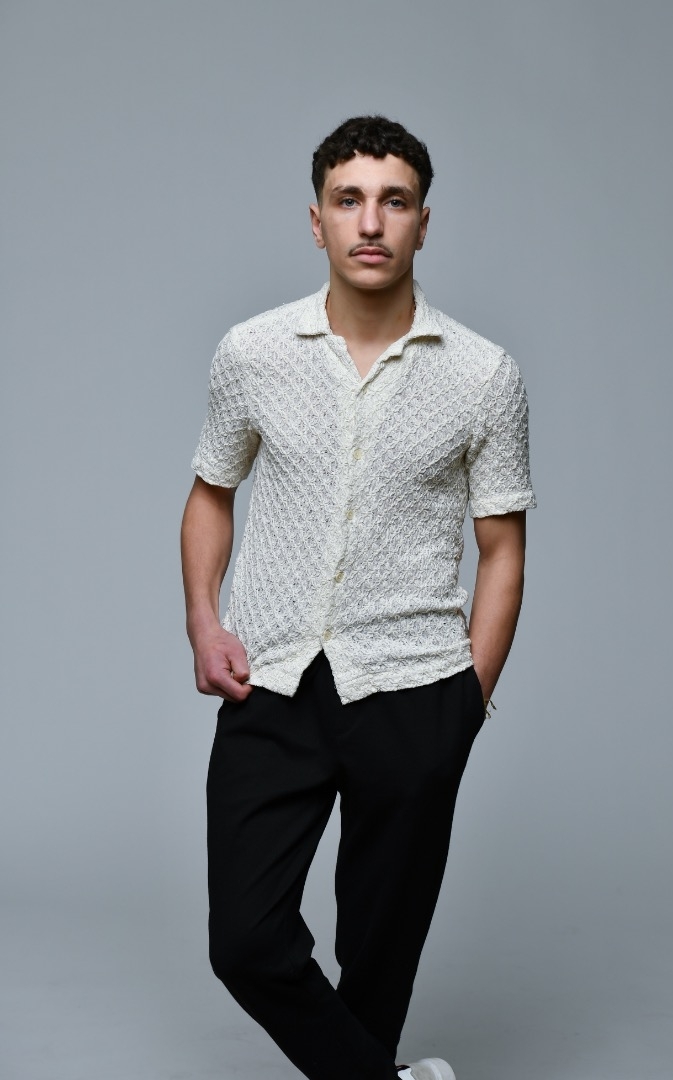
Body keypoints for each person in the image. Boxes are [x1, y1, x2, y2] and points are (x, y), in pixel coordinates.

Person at [181, 115, 536, 1080]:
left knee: (380, 959)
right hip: (273, 681)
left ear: (424, 221)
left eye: (394, 201)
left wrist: (467, 702)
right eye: (349, 200)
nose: (371, 222)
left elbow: (502, 550)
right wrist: (204, 621)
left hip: (418, 691)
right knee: (246, 941)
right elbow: (211, 493)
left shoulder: (484, 375)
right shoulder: (252, 352)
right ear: (317, 221)